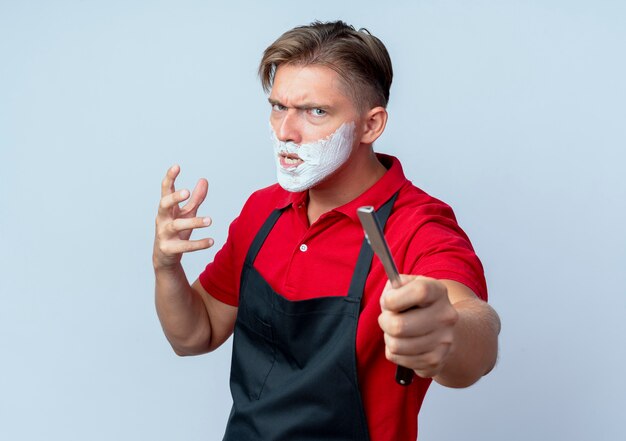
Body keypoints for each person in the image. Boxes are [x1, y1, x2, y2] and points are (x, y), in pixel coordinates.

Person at [153, 20, 500, 441]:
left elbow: (475, 341)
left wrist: (444, 329)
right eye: (278, 107)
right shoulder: (264, 209)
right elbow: (195, 334)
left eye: (315, 112)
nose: (285, 132)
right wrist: (166, 268)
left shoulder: (418, 224)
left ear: (370, 126)